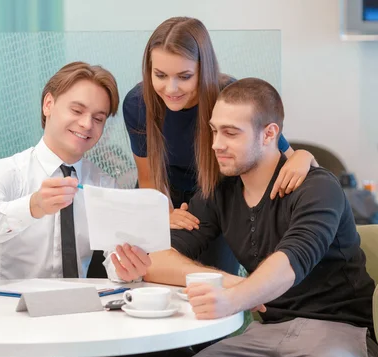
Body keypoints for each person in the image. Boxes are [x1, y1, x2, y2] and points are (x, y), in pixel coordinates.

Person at [112, 77, 378, 357]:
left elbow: (289, 263)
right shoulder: (219, 191)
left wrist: (236, 299)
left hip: (340, 332)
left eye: (231, 133)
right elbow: (157, 257)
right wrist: (229, 283)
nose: (216, 144)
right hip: (266, 332)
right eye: (214, 130)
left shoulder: (317, 187)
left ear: (269, 134)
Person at [0, 61, 193, 357]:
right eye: (78, 110)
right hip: (9, 333)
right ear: (48, 105)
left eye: (99, 118)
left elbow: (113, 261)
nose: (87, 124)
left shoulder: (101, 183)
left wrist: (128, 269)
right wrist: (32, 207)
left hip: (81, 331)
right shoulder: (6, 173)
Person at [123, 17, 318, 275]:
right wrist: (165, 215)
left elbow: (284, 155)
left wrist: (304, 156)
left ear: (204, 70)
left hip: (215, 197)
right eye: (160, 75)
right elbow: (149, 177)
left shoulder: (228, 95)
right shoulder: (138, 103)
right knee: (155, 274)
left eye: (184, 76)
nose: (171, 88)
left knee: (215, 279)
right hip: (162, 196)